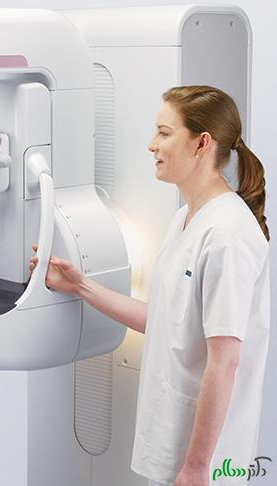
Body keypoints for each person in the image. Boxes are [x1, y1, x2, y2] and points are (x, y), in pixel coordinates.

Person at [30, 86, 270, 486]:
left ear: (201, 143)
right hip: (172, 445)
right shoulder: (185, 220)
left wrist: (197, 468)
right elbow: (164, 321)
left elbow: (225, 362)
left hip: (209, 464)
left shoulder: (228, 236)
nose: (151, 144)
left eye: (164, 132)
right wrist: (80, 285)